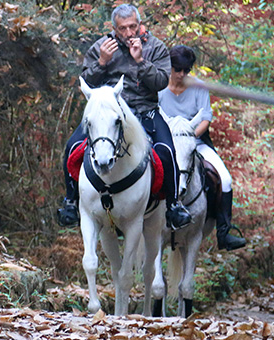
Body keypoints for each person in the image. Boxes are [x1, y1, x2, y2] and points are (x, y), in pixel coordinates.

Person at [56, 4, 192, 230]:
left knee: (167, 151)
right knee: (72, 147)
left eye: (133, 27)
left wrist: (140, 61)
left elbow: (160, 83)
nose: (129, 33)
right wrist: (101, 62)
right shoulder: (101, 47)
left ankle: (173, 206)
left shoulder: (156, 48)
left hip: (144, 111)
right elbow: (85, 84)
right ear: (114, 28)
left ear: (139, 24)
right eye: (123, 28)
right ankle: (71, 201)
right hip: (107, 114)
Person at [158, 45, 246, 250]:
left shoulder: (198, 86)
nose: (181, 75)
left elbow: (205, 118)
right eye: (177, 69)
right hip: (166, 144)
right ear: (169, 67)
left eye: (186, 70)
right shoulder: (159, 86)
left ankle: (224, 233)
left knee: (225, 179)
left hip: (195, 142)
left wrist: (188, 138)